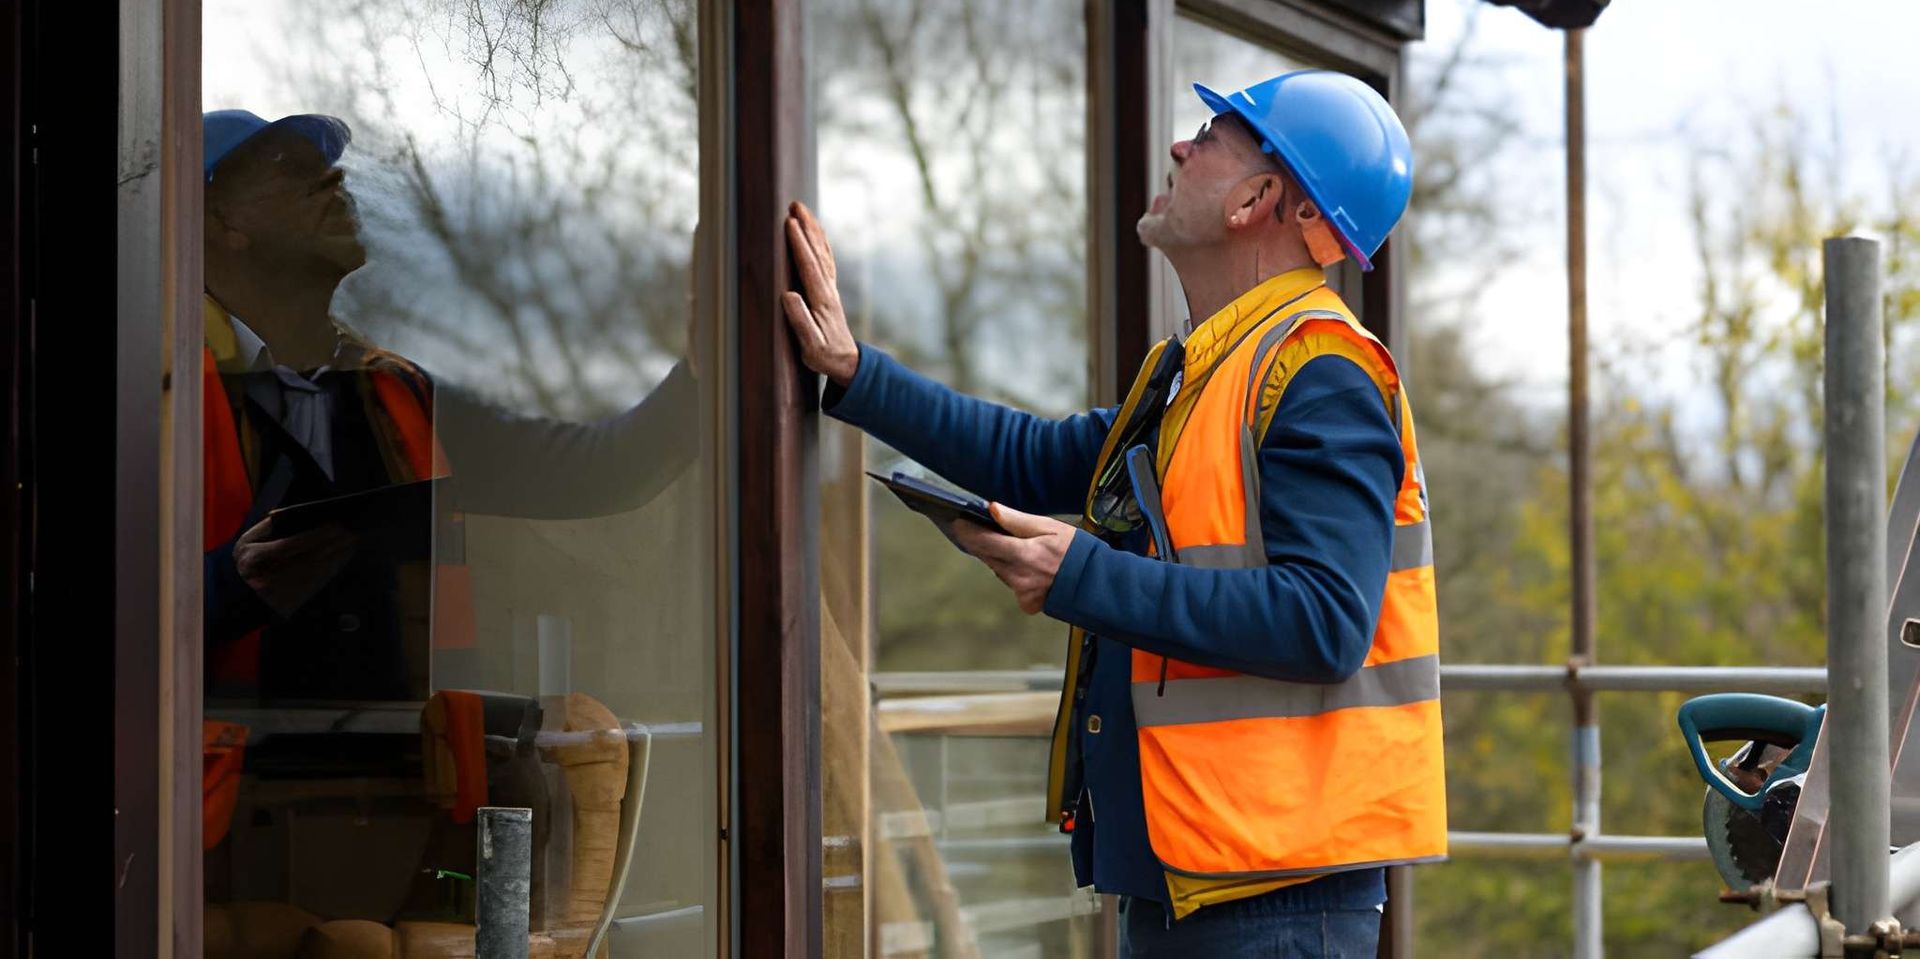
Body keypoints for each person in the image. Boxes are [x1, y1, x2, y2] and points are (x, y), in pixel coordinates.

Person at [783, 70, 1443, 956]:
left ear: (1256, 199)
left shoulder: (1321, 376)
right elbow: (1028, 458)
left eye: (1209, 137)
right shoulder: (1205, 373)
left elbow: (1325, 622)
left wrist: (1080, 574)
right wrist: (853, 370)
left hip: (1272, 901)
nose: (1179, 146)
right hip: (1206, 875)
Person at [201, 108, 700, 702]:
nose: (335, 179)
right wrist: (227, 588)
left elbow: (603, 471)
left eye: (328, 168)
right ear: (220, 222)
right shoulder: (149, 391)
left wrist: (705, 368)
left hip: (399, 760)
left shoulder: (394, 394)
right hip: (211, 762)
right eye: (292, 171)